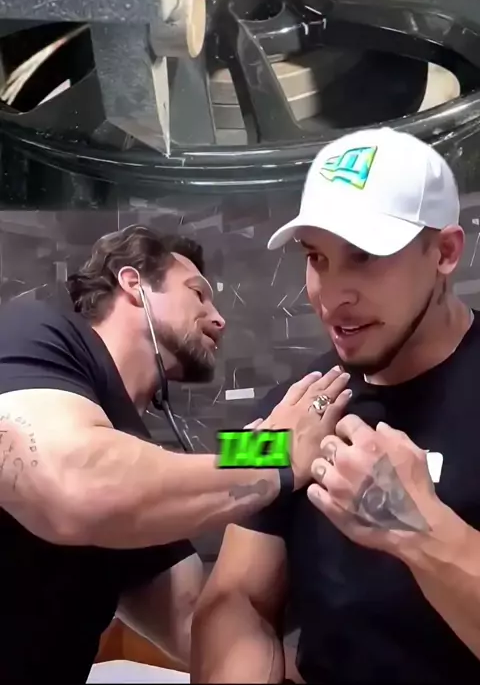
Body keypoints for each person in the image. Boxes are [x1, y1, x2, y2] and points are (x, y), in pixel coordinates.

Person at [0, 224, 351, 684]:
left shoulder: (137, 462)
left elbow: (194, 620)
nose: (219, 319)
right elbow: (69, 480)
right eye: (198, 294)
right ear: (134, 284)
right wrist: (276, 452)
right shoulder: (34, 331)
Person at [192, 126, 480, 685]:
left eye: (364, 256)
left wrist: (418, 530)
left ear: (445, 252)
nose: (331, 294)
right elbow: (233, 596)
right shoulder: (287, 407)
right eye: (316, 257)